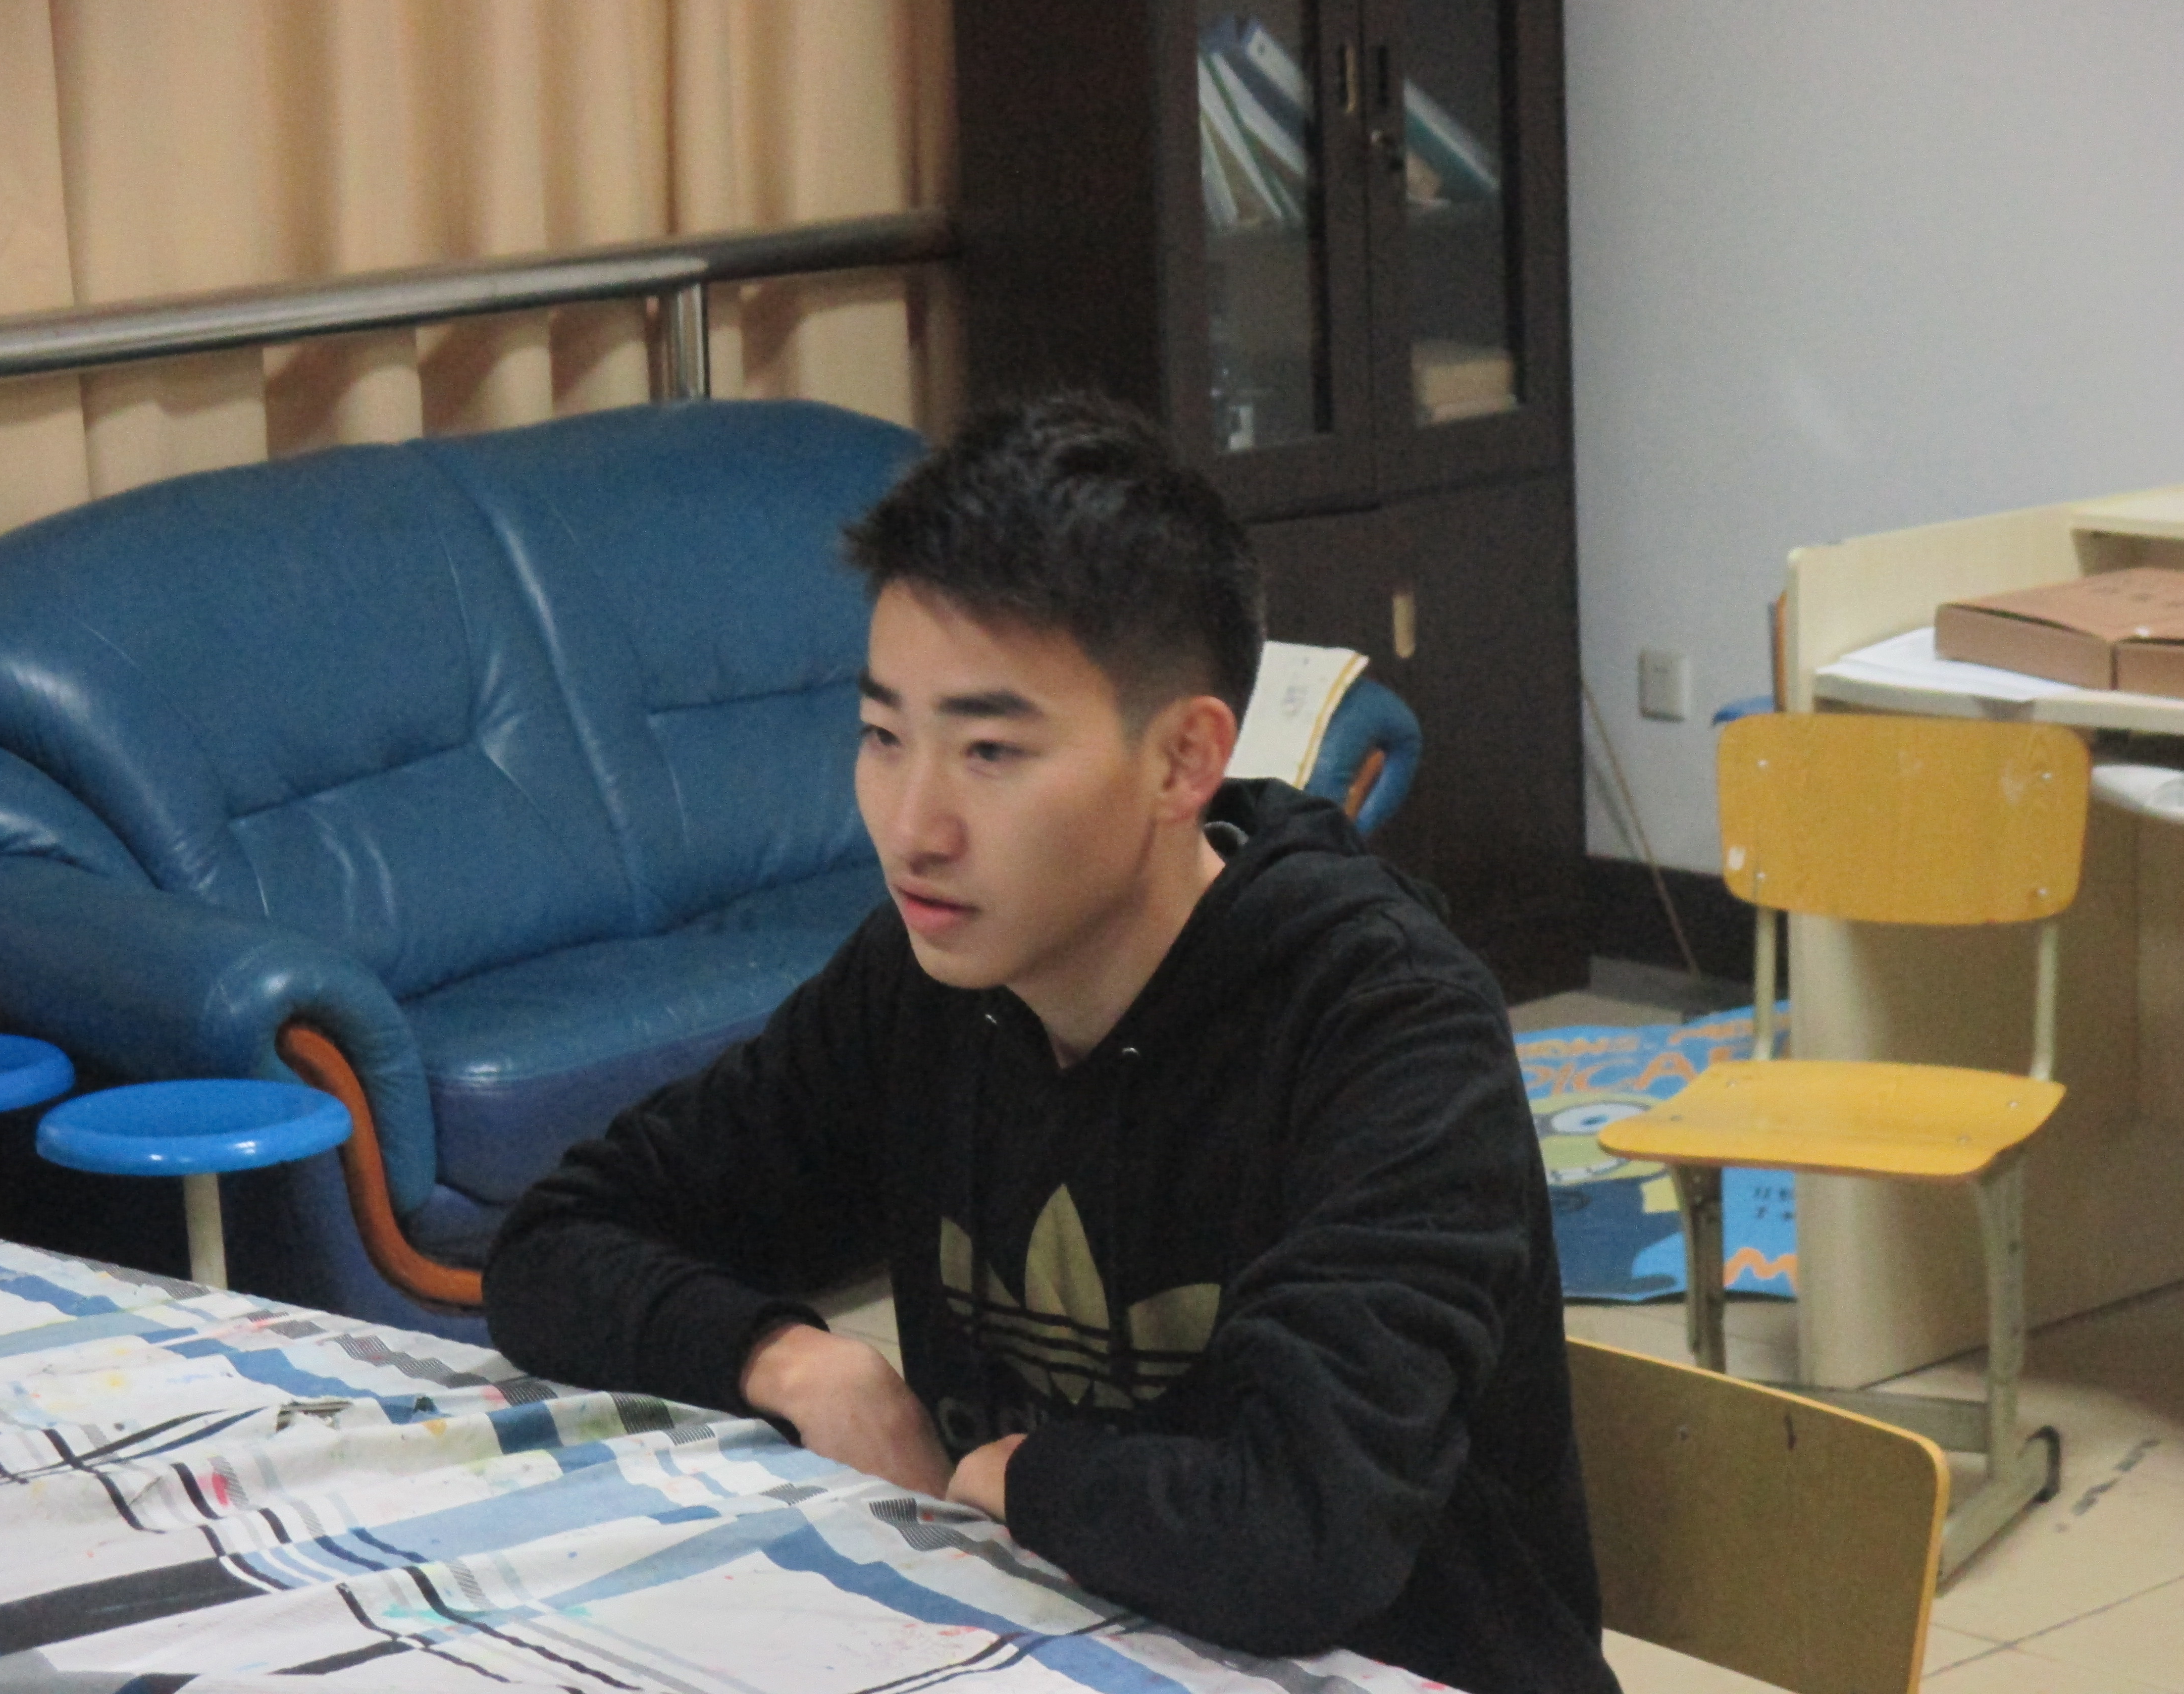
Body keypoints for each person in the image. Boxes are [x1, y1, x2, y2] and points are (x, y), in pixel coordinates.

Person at [484, 392, 1619, 1694]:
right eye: (883, 736)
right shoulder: (926, 983)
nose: (912, 827)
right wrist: (796, 1361)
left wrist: (1009, 1475)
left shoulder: (1388, 1029)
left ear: (1184, 759)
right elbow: (559, 1240)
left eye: (990, 751)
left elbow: (1302, 1534)